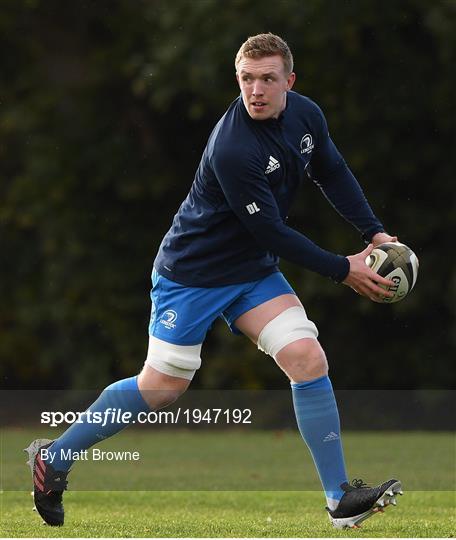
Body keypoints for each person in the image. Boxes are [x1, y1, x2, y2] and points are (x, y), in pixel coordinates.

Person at [26, 33, 403, 529]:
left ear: (289, 80)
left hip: (251, 272)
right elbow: (268, 228)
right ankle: (53, 459)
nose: (256, 90)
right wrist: (342, 268)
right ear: (238, 80)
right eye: (247, 79)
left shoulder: (306, 115)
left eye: (268, 78)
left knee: (306, 357)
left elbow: (331, 171)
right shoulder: (234, 146)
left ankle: (339, 499)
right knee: (162, 387)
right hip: (192, 275)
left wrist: (373, 232)